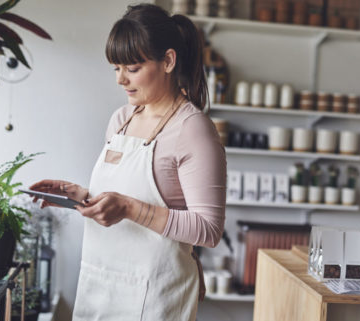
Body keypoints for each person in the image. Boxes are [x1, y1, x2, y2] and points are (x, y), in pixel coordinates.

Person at [28, 4, 226, 320]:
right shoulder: (121, 119)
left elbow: (208, 229)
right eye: (115, 68)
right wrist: (82, 196)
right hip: (100, 286)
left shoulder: (192, 129)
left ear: (168, 61)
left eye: (131, 68)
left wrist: (130, 209)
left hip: (156, 297)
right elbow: (119, 198)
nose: (121, 80)